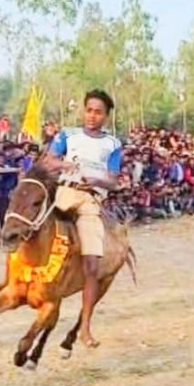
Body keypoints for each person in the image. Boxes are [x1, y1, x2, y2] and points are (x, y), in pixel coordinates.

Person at [46, 88, 122, 348]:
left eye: (98, 112)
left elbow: (113, 180)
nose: (92, 115)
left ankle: (85, 327)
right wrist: (62, 165)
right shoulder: (67, 135)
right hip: (64, 193)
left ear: (106, 116)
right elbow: (48, 161)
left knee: (92, 264)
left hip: (90, 200)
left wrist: (98, 179)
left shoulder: (113, 144)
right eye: (89, 110)